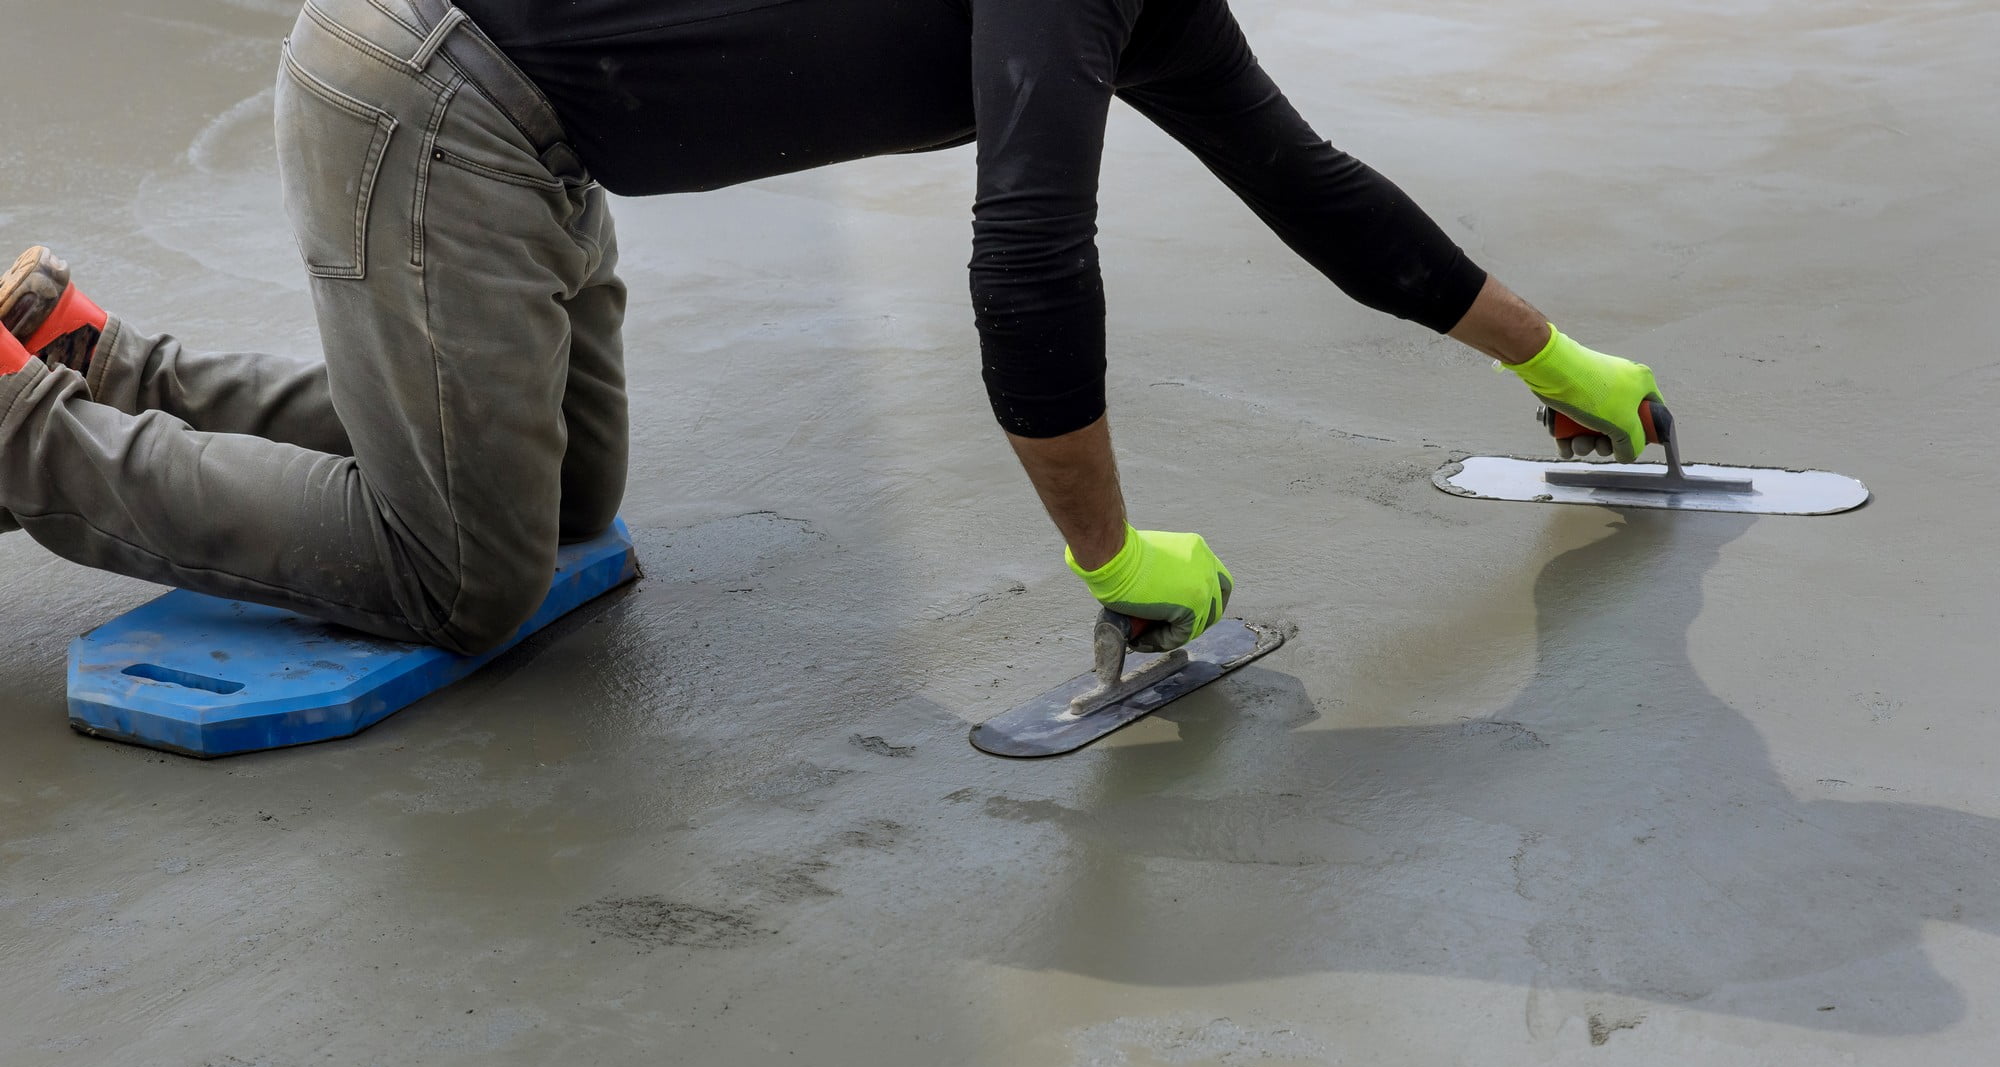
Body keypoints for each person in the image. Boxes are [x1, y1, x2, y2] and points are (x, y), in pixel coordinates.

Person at [0, 0, 1665, 658]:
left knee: (568, 508)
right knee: (471, 578)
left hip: (531, 132)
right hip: (437, 109)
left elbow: (1301, 178)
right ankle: (18, 427)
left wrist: (1553, 360)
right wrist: (1111, 564)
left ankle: (75, 352)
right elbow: (1025, 261)